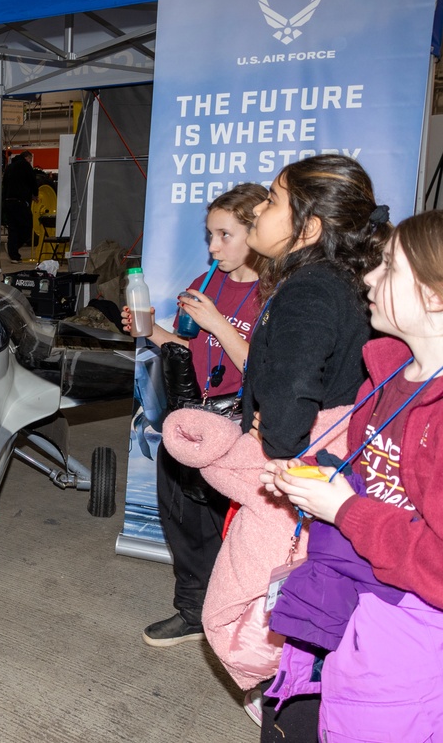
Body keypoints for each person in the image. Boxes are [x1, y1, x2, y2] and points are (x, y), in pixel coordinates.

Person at [260, 209, 443, 740]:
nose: (367, 278)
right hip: (355, 599)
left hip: (410, 630)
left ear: (433, 294)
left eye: (387, 269)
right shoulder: (388, 375)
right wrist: (320, 479)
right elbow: (379, 480)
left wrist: (343, 509)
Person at [241, 154, 389, 740]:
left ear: (309, 229)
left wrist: (272, 434)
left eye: (274, 200)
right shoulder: (332, 280)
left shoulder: (309, 290)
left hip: (304, 474)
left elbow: (291, 397)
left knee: (279, 613)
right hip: (330, 469)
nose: (258, 209)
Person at [122, 184, 267, 653]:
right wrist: (150, 330)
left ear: (257, 231)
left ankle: (240, 618)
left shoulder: (277, 293)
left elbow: (267, 372)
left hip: (242, 429)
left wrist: (219, 324)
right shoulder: (208, 281)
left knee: (232, 530)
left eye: (224, 235)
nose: (212, 247)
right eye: (209, 235)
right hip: (191, 421)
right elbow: (191, 353)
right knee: (183, 521)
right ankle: (193, 612)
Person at [2, 151, 39, 264]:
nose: (31, 162)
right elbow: (32, 181)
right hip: (20, 202)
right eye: (30, 159)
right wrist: (35, 194)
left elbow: (4, 183)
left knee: (13, 229)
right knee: (27, 227)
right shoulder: (25, 166)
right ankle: (13, 249)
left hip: (8, 201)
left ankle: (14, 255)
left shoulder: (9, 167)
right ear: (27, 157)